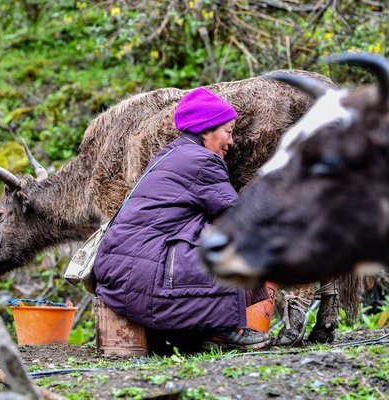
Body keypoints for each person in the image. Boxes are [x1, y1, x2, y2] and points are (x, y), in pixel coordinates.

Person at [93, 87, 272, 351]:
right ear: (206, 130)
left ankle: (190, 335)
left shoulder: (173, 152)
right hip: (139, 274)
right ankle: (223, 330)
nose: (231, 141)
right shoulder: (202, 161)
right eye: (228, 131)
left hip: (119, 270)